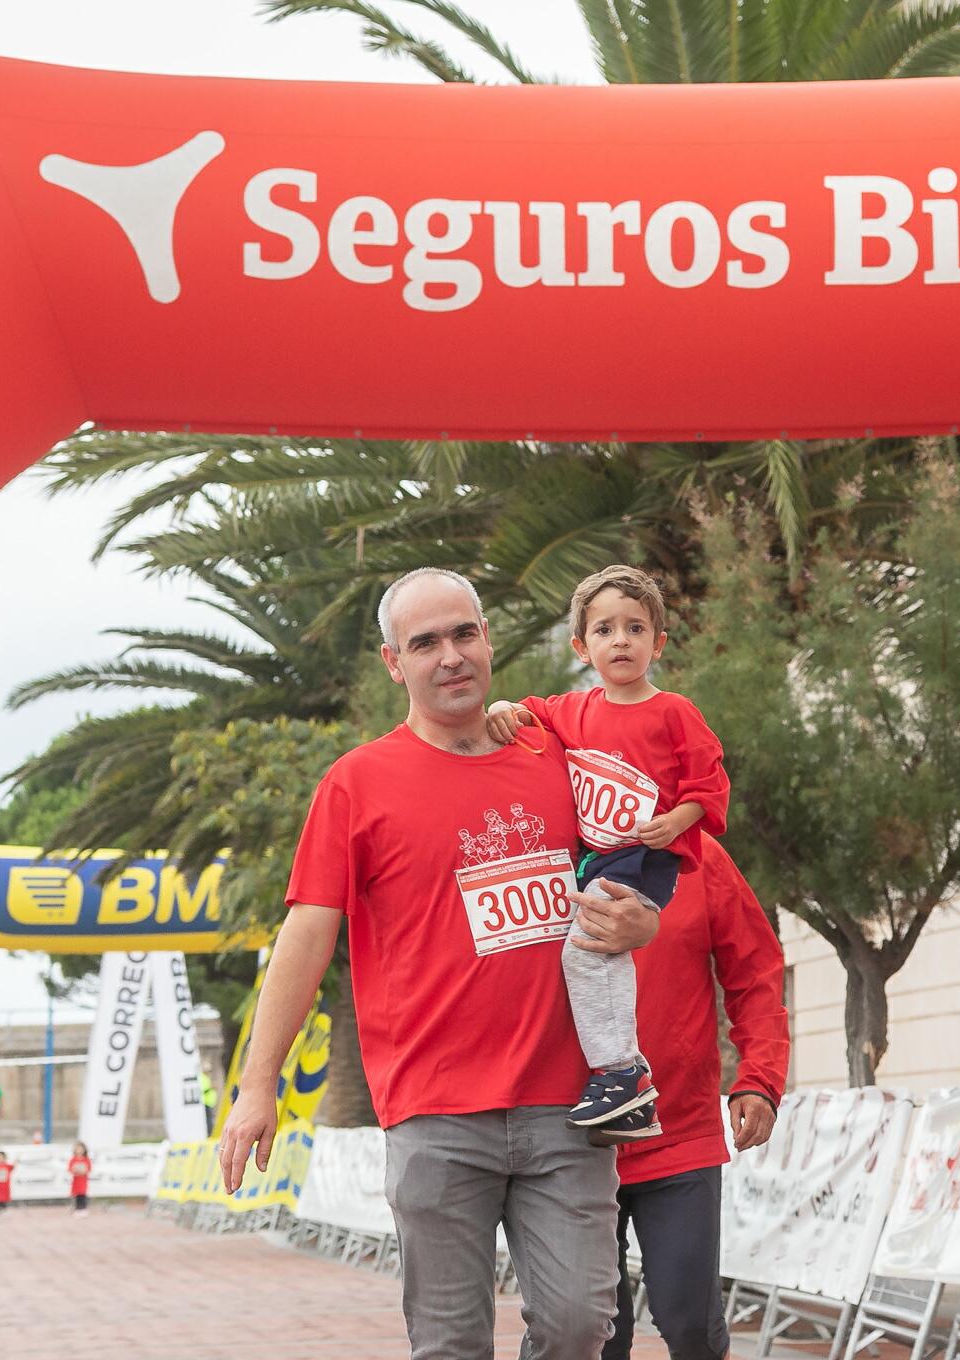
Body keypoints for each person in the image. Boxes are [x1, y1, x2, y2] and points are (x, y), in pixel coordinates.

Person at [215, 567, 659, 1360]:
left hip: (571, 1105)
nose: (450, 656)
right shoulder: (357, 784)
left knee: (579, 1327)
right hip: (435, 1113)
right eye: (426, 643)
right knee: (451, 1344)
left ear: (488, 639)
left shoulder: (558, 755)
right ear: (395, 662)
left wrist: (640, 920)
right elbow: (306, 938)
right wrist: (258, 1087)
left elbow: (635, 871)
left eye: (464, 634)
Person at [487, 565, 731, 1144]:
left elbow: (711, 782)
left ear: (658, 642)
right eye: (604, 630)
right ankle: (628, 1083)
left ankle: (621, 1071)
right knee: (579, 953)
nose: (620, 640)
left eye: (635, 627)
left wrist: (678, 820)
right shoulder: (577, 709)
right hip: (593, 857)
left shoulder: (674, 711)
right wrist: (503, 706)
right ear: (582, 645)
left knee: (589, 949)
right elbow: (531, 711)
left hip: (643, 858)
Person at [601, 840, 787, 1360]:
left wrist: (759, 1078)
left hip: (678, 1133)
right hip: (568, 1145)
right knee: (590, 1336)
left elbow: (754, 970)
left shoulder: (698, 856)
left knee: (693, 1330)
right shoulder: (546, 840)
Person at [68, 1142, 93, 1216]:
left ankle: (83, 1209)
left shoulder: (86, 1159)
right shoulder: (73, 1159)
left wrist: (83, 1171)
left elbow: (88, 1169)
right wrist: (75, 1170)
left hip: (83, 1181)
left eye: (81, 1149)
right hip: (76, 1181)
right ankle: (77, 1209)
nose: (79, 1151)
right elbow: (70, 1169)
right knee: (76, 1196)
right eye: (77, 1149)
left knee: (82, 1195)